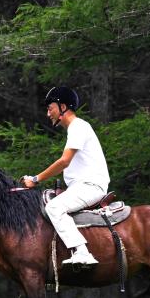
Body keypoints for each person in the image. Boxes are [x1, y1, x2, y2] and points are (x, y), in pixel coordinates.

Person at [21, 86, 110, 266]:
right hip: (83, 186)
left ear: (63, 106)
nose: (48, 114)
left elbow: (64, 162)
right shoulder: (76, 128)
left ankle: (82, 252)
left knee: (54, 208)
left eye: (50, 108)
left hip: (91, 186)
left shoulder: (78, 127)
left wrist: (35, 179)